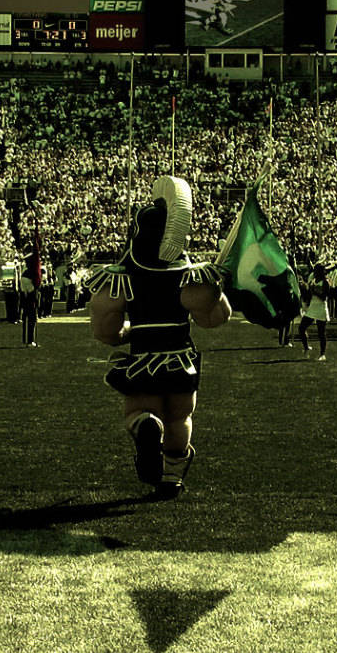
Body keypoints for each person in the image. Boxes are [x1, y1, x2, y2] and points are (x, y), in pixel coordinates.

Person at [88, 176, 231, 497]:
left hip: (144, 356)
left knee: (138, 410)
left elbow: (105, 331)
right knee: (180, 416)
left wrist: (125, 332)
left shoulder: (120, 280)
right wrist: (218, 289)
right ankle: (172, 476)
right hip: (181, 356)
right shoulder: (191, 278)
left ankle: (145, 424)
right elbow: (215, 319)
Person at [298, 263, 330, 361]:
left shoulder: (325, 282)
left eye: (316, 271)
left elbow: (324, 297)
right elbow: (309, 293)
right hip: (312, 307)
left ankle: (322, 354)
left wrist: (313, 290)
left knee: (321, 333)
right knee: (301, 328)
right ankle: (306, 347)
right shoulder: (313, 280)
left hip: (321, 308)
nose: (314, 273)